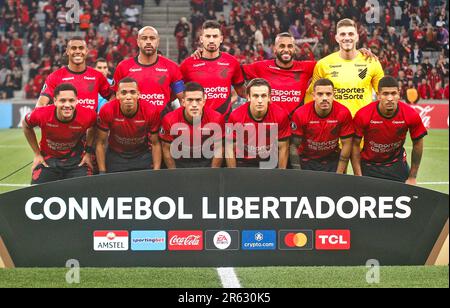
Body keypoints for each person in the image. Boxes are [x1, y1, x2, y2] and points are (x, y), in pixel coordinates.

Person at [351, 76, 427, 184]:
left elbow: (418, 143)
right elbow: (354, 145)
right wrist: (358, 176)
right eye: (385, 94)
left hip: (397, 164)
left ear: (399, 94)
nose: (390, 98)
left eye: (393, 93)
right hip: (369, 165)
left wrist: (412, 177)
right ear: (378, 95)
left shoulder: (410, 114)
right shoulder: (363, 114)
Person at [305, 18, 384, 117]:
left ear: (357, 37)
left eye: (351, 34)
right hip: (335, 127)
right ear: (336, 38)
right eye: (342, 34)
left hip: (362, 127)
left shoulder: (372, 62)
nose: (347, 38)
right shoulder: (323, 64)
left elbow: (383, 95)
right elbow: (311, 96)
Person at [22, 83, 96, 184]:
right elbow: (26, 125)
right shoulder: (42, 114)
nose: (67, 105)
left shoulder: (88, 114)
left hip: (77, 161)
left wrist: (88, 152)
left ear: (77, 101)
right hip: (48, 160)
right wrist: (37, 154)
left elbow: (93, 127)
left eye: (71, 100)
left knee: (85, 192)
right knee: (36, 193)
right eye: (62, 100)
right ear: (55, 101)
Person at [113, 26, 184, 118]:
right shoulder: (123, 67)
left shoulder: (172, 67)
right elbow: (114, 98)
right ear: (138, 42)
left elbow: (183, 99)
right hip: (133, 124)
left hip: (162, 124)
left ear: (158, 41)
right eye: (144, 38)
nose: (148, 42)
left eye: (152, 38)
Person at [180, 20, 246, 117]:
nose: (211, 40)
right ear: (201, 39)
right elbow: (175, 91)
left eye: (215, 36)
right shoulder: (188, 64)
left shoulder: (232, 62)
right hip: (197, 122)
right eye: (207, 36)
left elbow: (242, 92)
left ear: (221, 39)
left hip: (224, 122)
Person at [96, 77, 162, 173]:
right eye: (123, 93)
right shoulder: (107, 110)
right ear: (117, 95)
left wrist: (156, 171)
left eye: (132, 92)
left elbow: (155, 143)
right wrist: (102, 172)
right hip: (116, 156)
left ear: (139, 95)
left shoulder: (151, 111)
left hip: (142, 156)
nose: (128, 97)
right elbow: (100, 143)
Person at [290, 78, 354, 173]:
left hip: (332, 160)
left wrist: (339, 173)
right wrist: (298, 172)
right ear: (313, 96)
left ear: (334, 95)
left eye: (328, 94)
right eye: (320, 94)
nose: (324, 98)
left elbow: (347, 144)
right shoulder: (300, 113)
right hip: (307, 161)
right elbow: (293, 146)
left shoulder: (343, 113)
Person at [225, 78, 291, 169]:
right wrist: (233, 174)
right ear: (248, 97)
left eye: (263, 96)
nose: (260, 100)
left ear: (269, 97)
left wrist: (280, 175)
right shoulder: (235, 116)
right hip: (244, 162)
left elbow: (283, 148)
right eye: (255, 96)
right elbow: (229, 148)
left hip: (269, 161)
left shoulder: (280, 115)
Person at [36, 36, 113, 111]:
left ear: (86, 51)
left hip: (90, 123)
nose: (77, 51)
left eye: (81, 48)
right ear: (67, 51)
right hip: (65, 123)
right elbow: (41, 105)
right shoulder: (54, 77)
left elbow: (113, 99)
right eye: (73, 48)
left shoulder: (97, 76)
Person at [159, 82, 224, 168]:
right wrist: (174, 174)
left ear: (204, 101)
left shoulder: (216, 118)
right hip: (180, 162)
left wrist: (212, 174)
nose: (194, 105)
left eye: (198, 100)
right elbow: (166, 149)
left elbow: (219, 149)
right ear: (183, 102)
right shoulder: (170, 119)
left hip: (206, 161)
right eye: (190, 100)